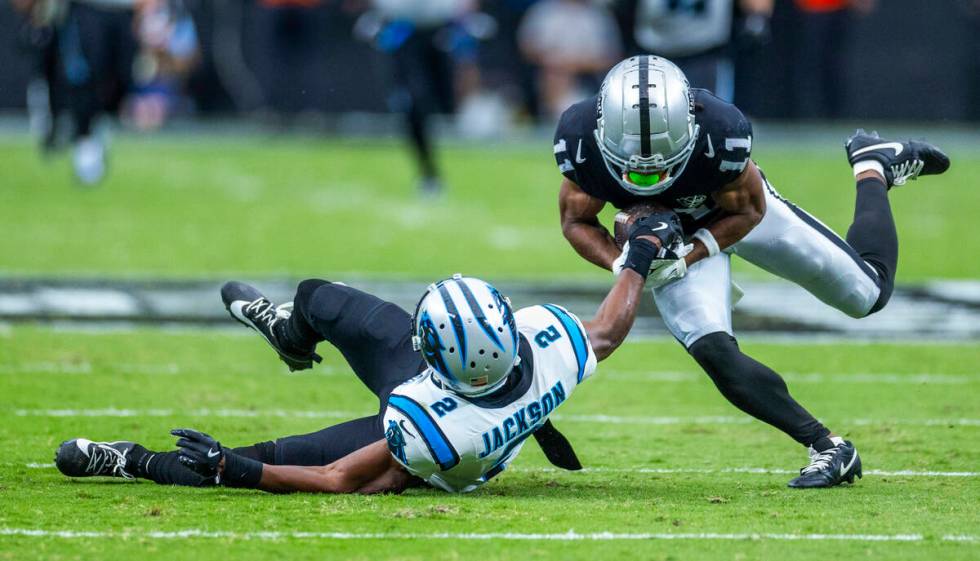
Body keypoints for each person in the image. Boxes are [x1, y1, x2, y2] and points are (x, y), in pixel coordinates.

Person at [553, 55, 949, 488]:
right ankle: (828, 446)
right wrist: (624, 261)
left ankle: (873, 166)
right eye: (635, 166)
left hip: (730, 218)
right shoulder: (580, 142)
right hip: (661, 239)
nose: (650, 175)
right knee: (713, 350)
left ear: (689, 124)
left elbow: (751, 211)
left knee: (867, 294)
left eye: (664, 163)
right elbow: (576, 222)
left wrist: (689, 254)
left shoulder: (722, 133)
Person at [53, 227, 670, 494]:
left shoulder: (430, 428)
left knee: (269, 456)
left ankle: (128, 461)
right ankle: (289, 334)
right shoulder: (551, 346)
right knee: (318, 299)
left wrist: (231, 469)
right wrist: (639, 254)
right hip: (468, 398)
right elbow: (611, 327)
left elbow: (337, 479)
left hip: (443, 443)